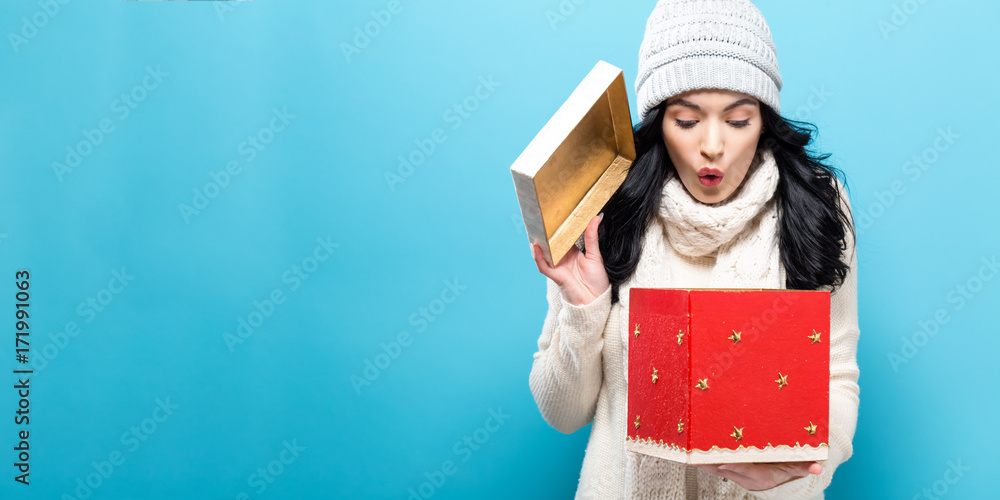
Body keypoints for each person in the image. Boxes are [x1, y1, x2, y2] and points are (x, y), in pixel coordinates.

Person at [527, 0, 860, 498]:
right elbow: (562, 413)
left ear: (765, 121)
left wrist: (803, 461)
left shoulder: (815, 202)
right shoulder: (607, 207)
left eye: (738, 120)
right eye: (686, 121)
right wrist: (584, 304)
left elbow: (836, 376)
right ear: (659, 123)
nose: (711, 145)